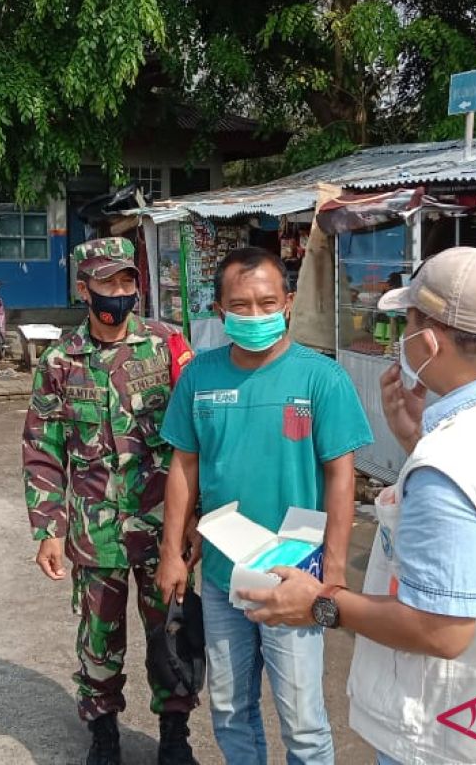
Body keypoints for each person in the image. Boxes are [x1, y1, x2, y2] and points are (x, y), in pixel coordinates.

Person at [239, 248, 476, 765]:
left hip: (459, 738)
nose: (402, 340)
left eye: (407, 323)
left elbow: (440, 628)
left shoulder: (453, 460)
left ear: (428, 343)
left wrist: (321, 602)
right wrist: (416, 442)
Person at [156, 246, 373, 765]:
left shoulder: (322, 379)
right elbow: (183, 467)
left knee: (302, 721)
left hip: (294, 576)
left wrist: (334, 575)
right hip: (221, 575)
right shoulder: (199, 377)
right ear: (220, 310)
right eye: (242, 305)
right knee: (230, 709)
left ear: (289, 302)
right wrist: (170, 552)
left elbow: (341, 477)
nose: (255, 315)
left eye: (267, 302)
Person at [22, 237, 199, 765]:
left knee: (171, 632)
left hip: (161, 526)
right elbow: (42, 448)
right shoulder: (59, 360)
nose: (118, 293)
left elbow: (194, 439)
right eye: (107, 283)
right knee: (99, 638)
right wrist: (47, 529)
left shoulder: (167, 345)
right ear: (85, 289)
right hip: (93, 530)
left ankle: (174, 734)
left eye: (126, 282)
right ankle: (103, 733)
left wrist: (194, 521)